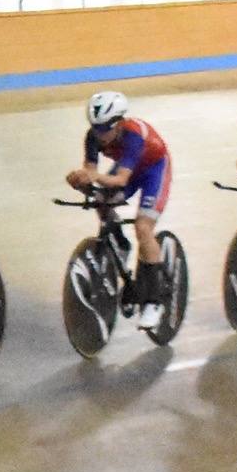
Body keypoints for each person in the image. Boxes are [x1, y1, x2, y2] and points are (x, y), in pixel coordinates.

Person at [64, 89, 171, 327]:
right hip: (130, 170)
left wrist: (93, 176)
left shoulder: (133, 136)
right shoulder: (93, 136)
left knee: (143, 227)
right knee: (101, 201)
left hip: (154, 171)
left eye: (105, 128)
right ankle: (120, 245)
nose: (99, 134)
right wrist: (81, 181)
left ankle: (154, 302)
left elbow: (121, 180)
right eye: (95, 127)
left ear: (119, 122)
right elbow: (91, 174)